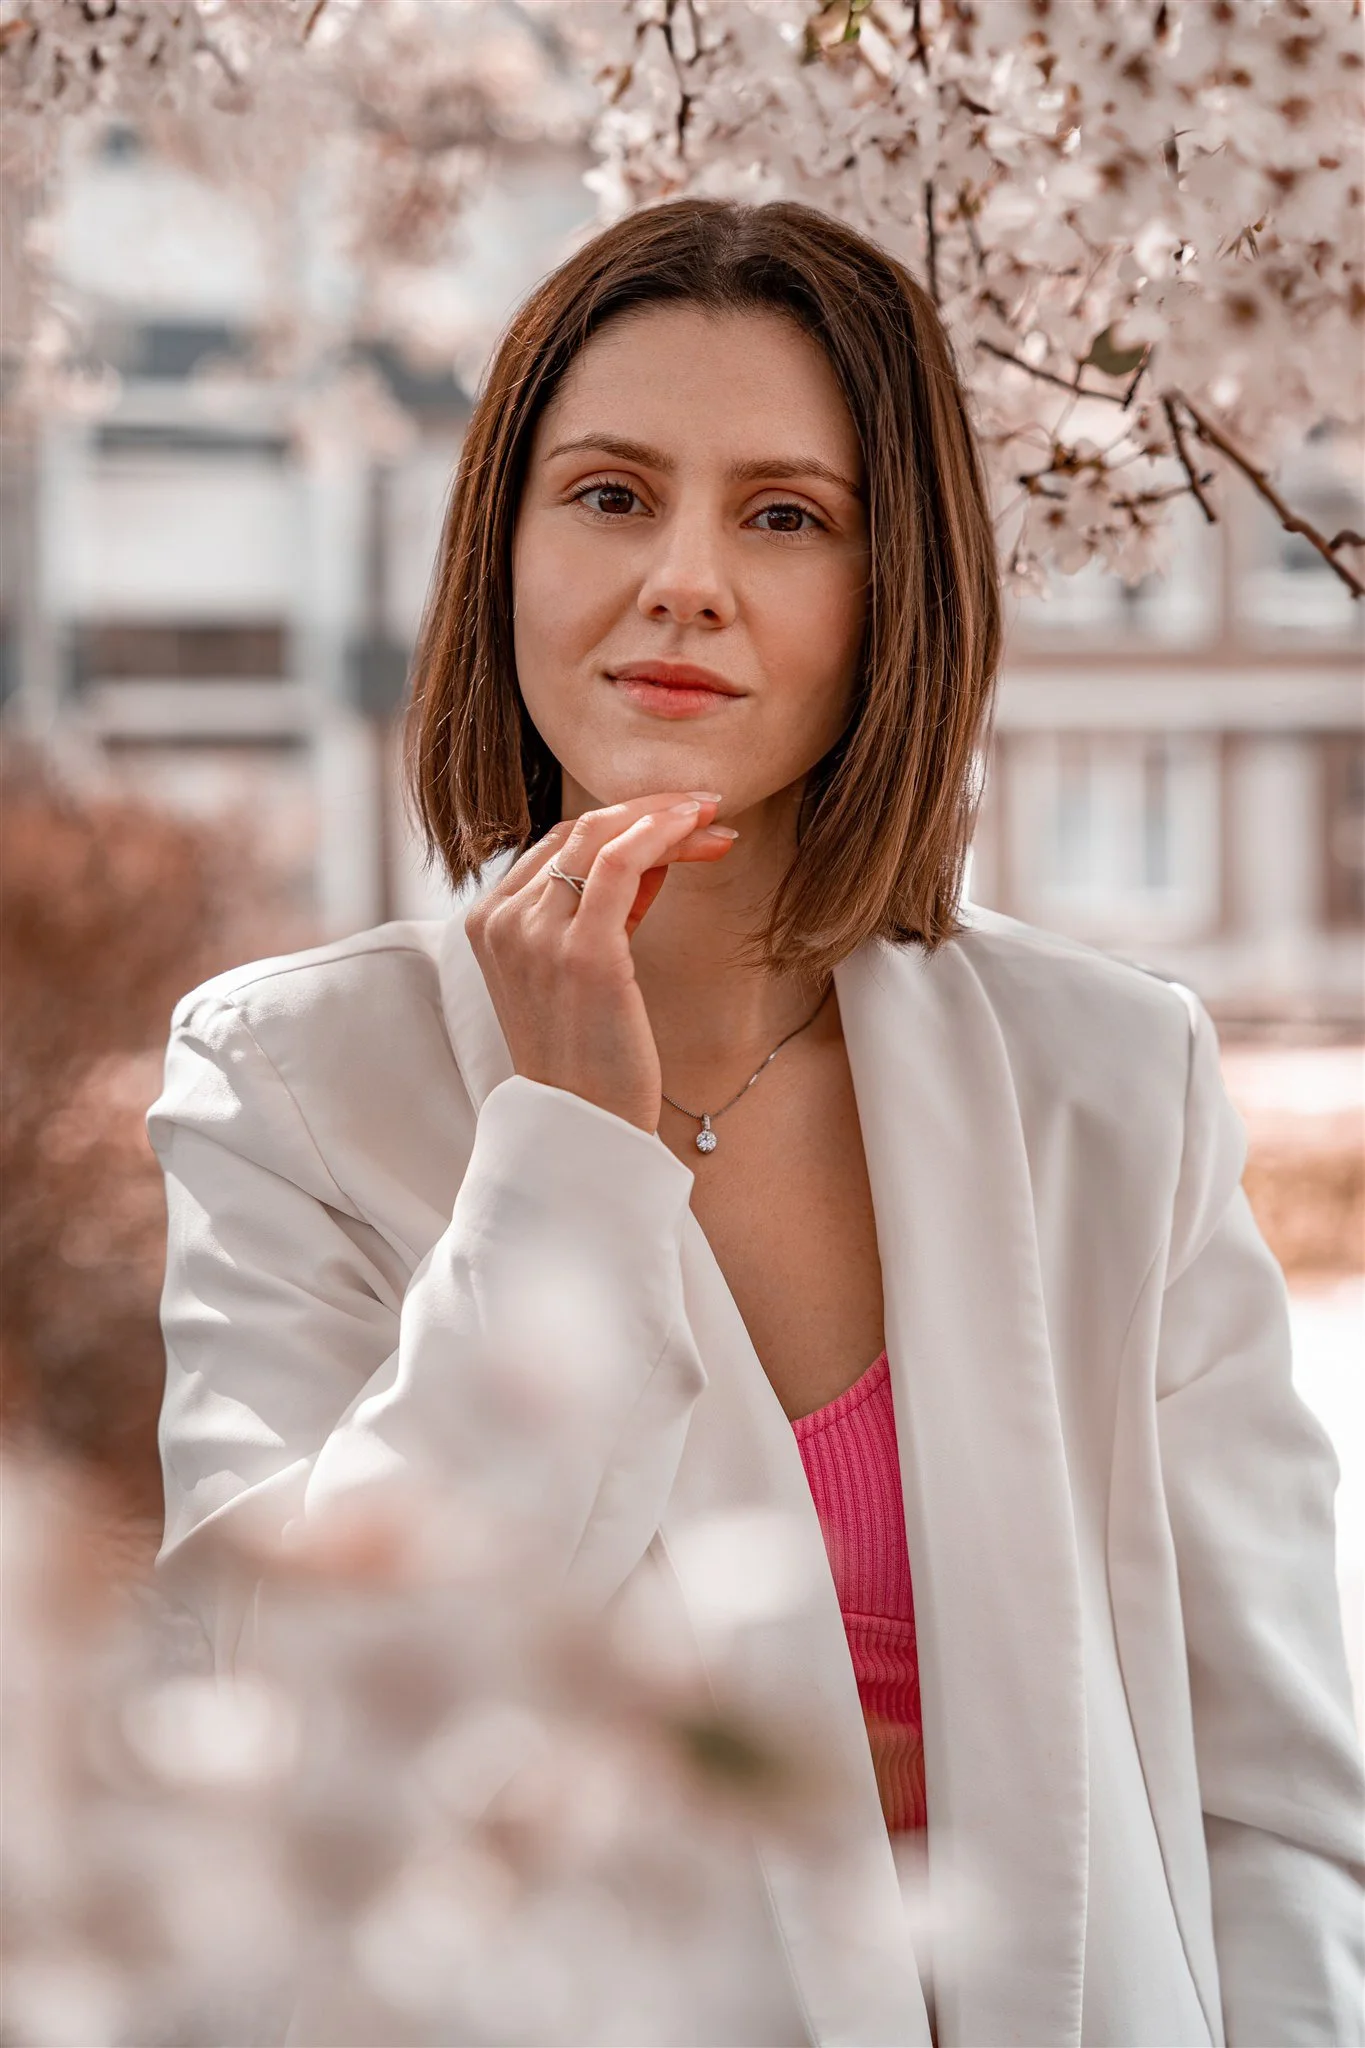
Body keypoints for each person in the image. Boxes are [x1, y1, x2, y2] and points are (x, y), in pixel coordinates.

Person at [149, 199, 1364, 2047]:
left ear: (898, 596)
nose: (685, 580)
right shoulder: (292, 1085)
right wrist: (561, 1163)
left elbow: (1274, 1801)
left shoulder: (1110, 1082)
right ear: (502, 551)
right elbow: (305, 1723)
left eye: (785, 516)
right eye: (612, 495)